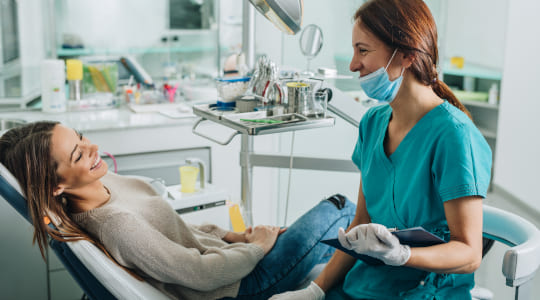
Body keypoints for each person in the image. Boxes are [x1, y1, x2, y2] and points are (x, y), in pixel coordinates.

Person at [271, 0, 492, 299]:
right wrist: (314, 291)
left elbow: (468, 253)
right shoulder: (373, 123)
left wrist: (403, 255)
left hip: (425, 291)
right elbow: (362, 220)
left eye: (363, 51)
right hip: (365, 286)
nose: (352, 64)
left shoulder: (454, 136)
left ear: (407, 54)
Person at [0, 121, 356, 300]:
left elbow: (175, 230)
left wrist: (232, 236)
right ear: (55, 187)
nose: (92, 148)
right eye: (78, 155)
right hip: (237, 285)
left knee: (339, 248)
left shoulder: (104, 187)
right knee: (339, 210)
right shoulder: (117, 225)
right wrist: (257, 248)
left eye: (80, 138)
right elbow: (198, 274)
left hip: (233, 259)